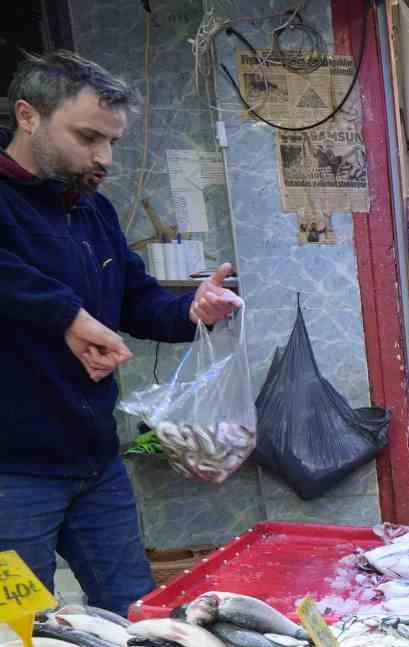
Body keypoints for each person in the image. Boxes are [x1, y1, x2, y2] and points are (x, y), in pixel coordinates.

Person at [0, 51, 242, 617]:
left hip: (94, 465)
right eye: (88, 137)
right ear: (28, 116)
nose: (104, 157)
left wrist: (192, 311)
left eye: (112, 141)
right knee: (21, 638)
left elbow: (137, 302)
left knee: (138, 617)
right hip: (11, 475)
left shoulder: (94, 213)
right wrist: (66, 314)